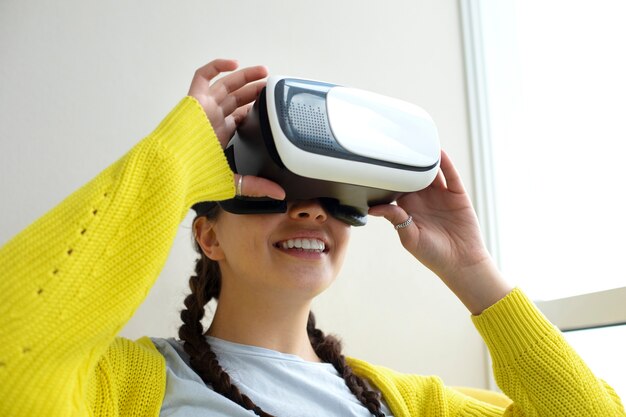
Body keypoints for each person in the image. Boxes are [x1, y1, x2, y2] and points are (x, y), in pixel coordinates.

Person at [0, 58, 623, 417]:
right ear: (207, 236)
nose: (309, 213)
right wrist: (172, 158)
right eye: (274, 190)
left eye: (334, 198)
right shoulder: (125, 382)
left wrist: (471, 268)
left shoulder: (403, 402)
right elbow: (13, 357)